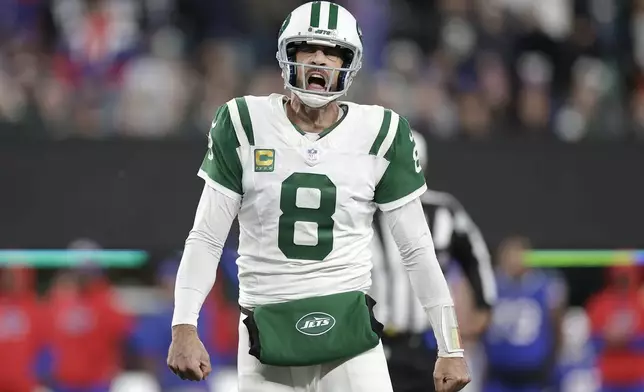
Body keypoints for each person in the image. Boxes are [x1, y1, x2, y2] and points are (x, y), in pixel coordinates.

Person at [167, 2, 470, 392]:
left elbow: (416, 248)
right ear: (286, 54)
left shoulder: (382, 131)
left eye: (333, 52)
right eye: (308, 48)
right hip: (266, 334)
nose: (319, 60)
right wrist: (184, 325)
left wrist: (450, 345)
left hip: (348, 334)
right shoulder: (242, 123)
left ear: (350, 62)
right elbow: (207, 237)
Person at [371, 131, 497, 392]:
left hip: (425, 344)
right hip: (372, 344)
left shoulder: (444, 211)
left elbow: (475, 256)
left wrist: (485, 305)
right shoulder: (364, 210)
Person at [482, 236, 567, 392]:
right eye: (508, 255)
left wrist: (553, 364)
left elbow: (557, 327)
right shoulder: (491, 285)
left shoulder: (544, 286)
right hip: (499, 373)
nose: (513, 261)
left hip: (533, 374)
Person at [586, 265, 644, 392]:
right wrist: (607, 339)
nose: (623, 278)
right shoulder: (599, 303)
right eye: (620, 274)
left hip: (637, 379)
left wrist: (628, 339)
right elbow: (592, 342)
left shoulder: (641, 302)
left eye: (627, 274)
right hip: (609, 379)